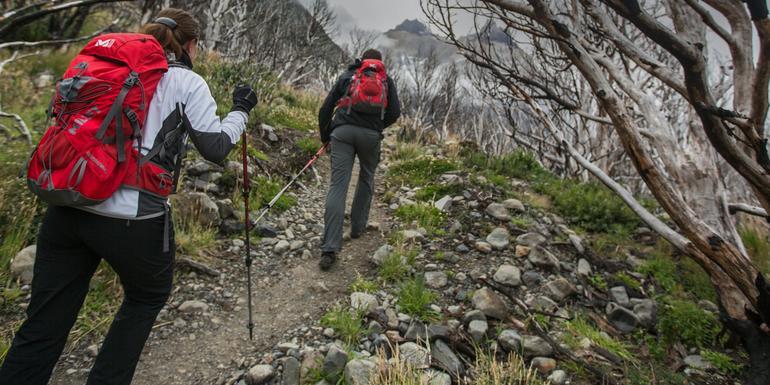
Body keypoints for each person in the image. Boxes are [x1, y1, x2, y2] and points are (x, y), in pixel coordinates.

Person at [0, 8, 257, 385]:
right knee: (147, 296)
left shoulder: (100, 66)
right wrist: (241, 110)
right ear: (190, 45)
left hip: (68, 203)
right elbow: (216, 147)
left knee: (43, 324)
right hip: (133, 216)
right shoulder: (186, 82)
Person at [317, 49, 401, 271]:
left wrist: (326, 137)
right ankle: (357, 228)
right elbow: (395, 112)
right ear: (379, 64)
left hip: (342, 133)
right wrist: (377, 127)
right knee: (366, 177)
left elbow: (325, 109)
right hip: (371, 136)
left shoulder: (348, 76)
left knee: (338, 186)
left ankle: (329, 247)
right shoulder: (386, 81)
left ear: (361, 62)